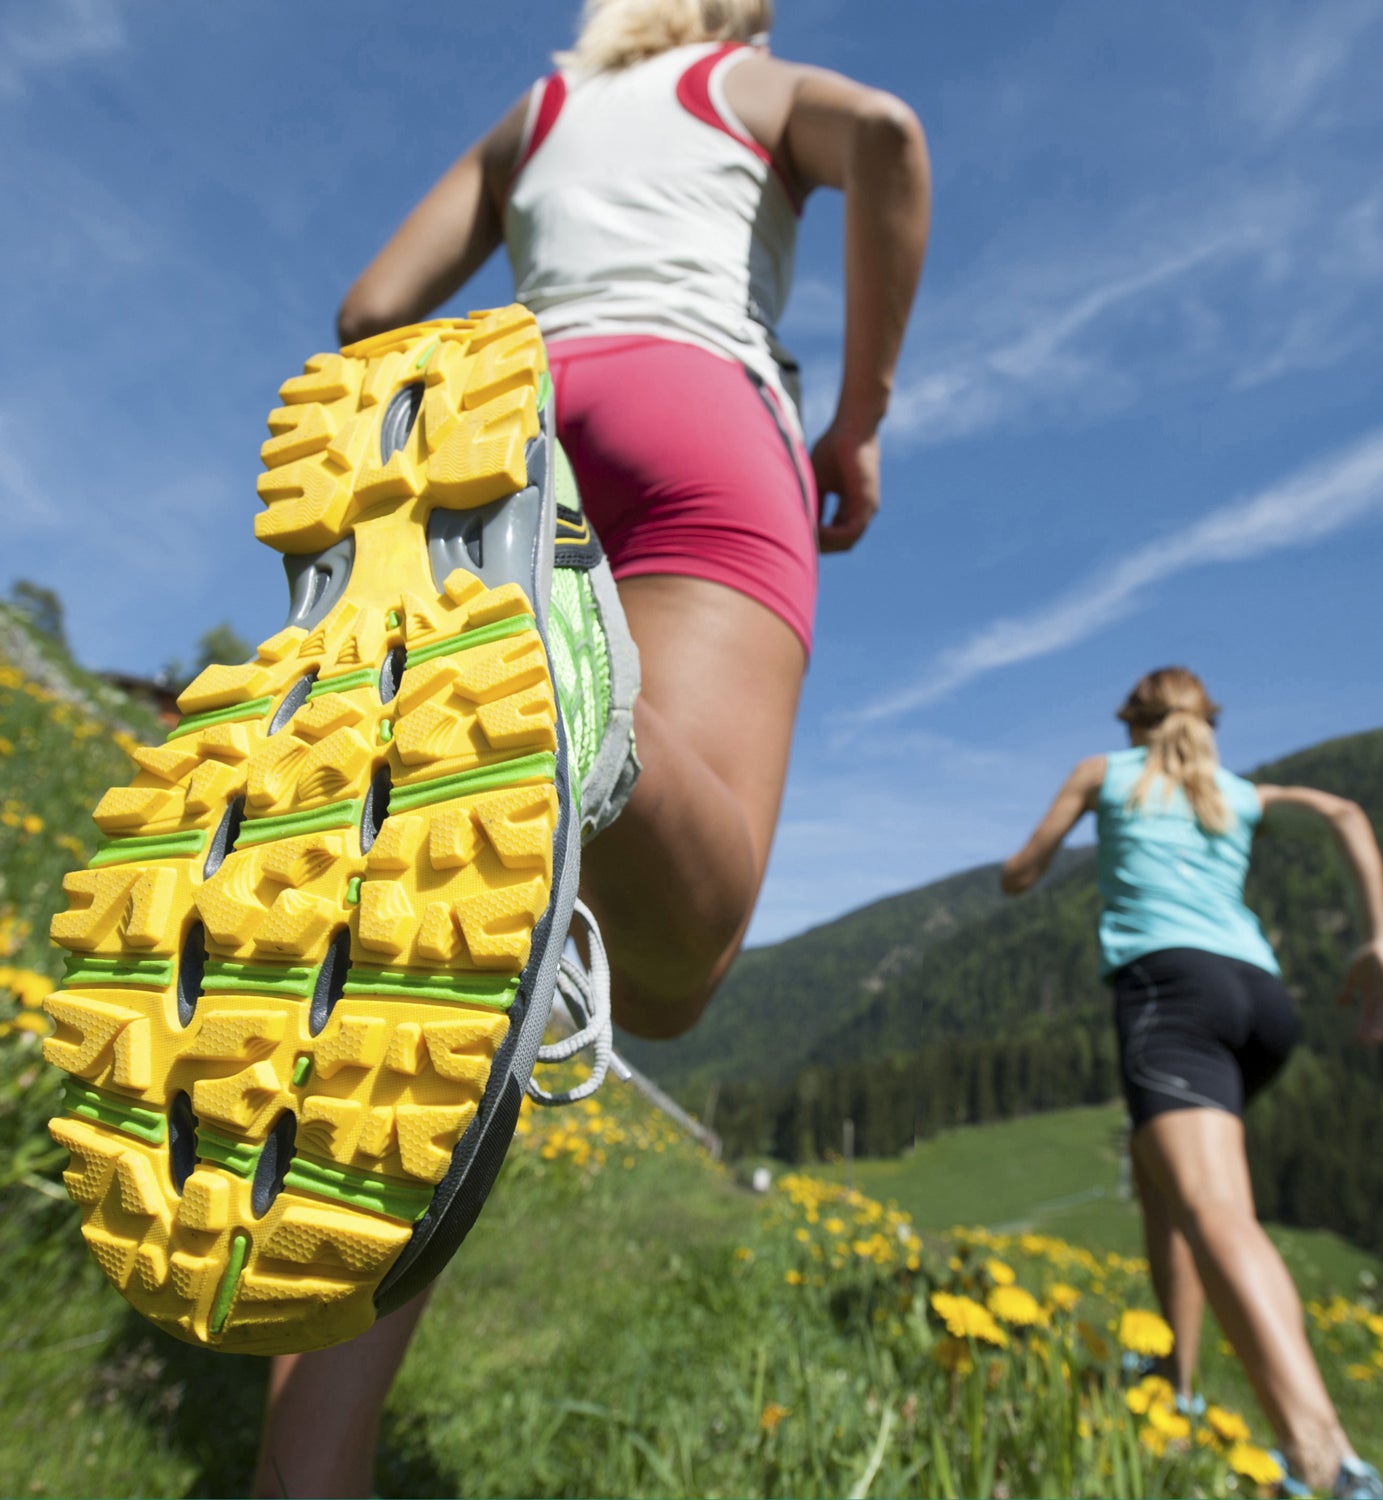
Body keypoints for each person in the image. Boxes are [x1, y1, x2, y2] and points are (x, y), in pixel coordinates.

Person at [253, 1, 930, 1492]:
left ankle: (304, 1475)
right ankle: (577, 694)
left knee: (446, 970)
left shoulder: (538, 112)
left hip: (508, 433)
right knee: (682, 959)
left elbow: (373, 310)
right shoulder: (731, 82)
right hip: (698, 409)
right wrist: (860, 420)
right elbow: (885, 135)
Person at [1000, 667, 1383, 1500]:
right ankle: (1173, 1388)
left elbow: (1021, 870)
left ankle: (1327, 1462)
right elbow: (1346, 814)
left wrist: (1022, 868)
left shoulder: (1102, 774)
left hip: (1170, 996)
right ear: (1206, 721)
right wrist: (1381, 942)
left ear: (1131, 723)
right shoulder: (1240, 791)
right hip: (1259, 1000)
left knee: (1214, 1211)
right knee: (1165, 1192)